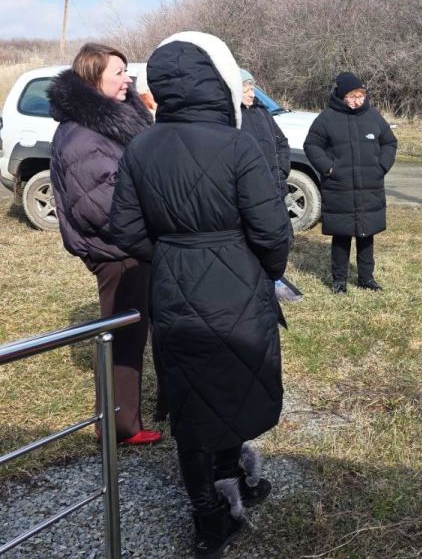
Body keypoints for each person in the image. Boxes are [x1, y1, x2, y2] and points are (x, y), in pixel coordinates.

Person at [110, 32, 291, 557]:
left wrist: (172, 252)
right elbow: (271, 230)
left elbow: (125, 230)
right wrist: (264, 269)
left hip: (173, 284)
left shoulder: (140, 147)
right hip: (237, 280)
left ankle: (209, 517)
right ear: (216, 81)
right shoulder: (238, 144)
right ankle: (228, 492)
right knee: (233, 384)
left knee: (191, 401)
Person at [47, 43, 161, 446]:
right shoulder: (84, 135)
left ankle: (129, 417)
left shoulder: (106, 123)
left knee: (135, 331)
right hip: (117, 251)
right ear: (94, 77)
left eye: (126, 71)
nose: (127, 79)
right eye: (118, 72)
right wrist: (151, 231)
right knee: (123, 339)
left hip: (130, 246)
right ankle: (120, 428)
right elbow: (102, 209)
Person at [304, 72, 397, 293]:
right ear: (341, 96)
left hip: (369, 187)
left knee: (366, 234)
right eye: (352, 96)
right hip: (339, 187)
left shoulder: (373, 116)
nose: (357, 101)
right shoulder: (327, 118)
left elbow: (389, 142)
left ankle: (366, 278)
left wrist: (381, 166)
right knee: (341, 236)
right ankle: (339, 281)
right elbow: (312, 145)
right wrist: (329, 168)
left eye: (360, 96)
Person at [240, 72, 291, 203]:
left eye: (252, 89)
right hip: (250, 195)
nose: (252, 94)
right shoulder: (231, 117)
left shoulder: (262, 111)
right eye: (246, 90)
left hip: (276, 189)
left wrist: (282, 171)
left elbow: (282, 142)